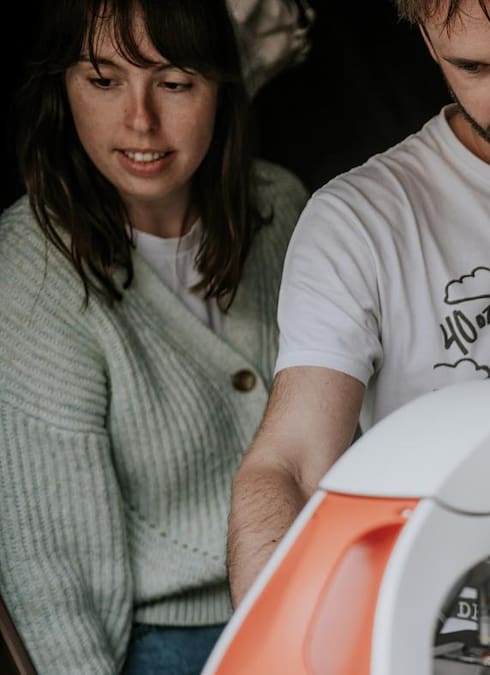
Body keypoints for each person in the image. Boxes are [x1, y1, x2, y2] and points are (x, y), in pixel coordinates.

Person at [227, 0, 490, 646]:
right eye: (475, 67)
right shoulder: (361, 219)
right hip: (440, 651)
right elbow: (290, 463)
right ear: (427, 40)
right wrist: (280, 647)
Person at [0, 0, 308, 672]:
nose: (140, 120)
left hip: (310, 596)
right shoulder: (30, 266)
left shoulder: (282, 207)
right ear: (62, 87)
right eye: (103, 80)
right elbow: (52, 573)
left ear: (221, 90)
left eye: (173, 83)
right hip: (163, 638)